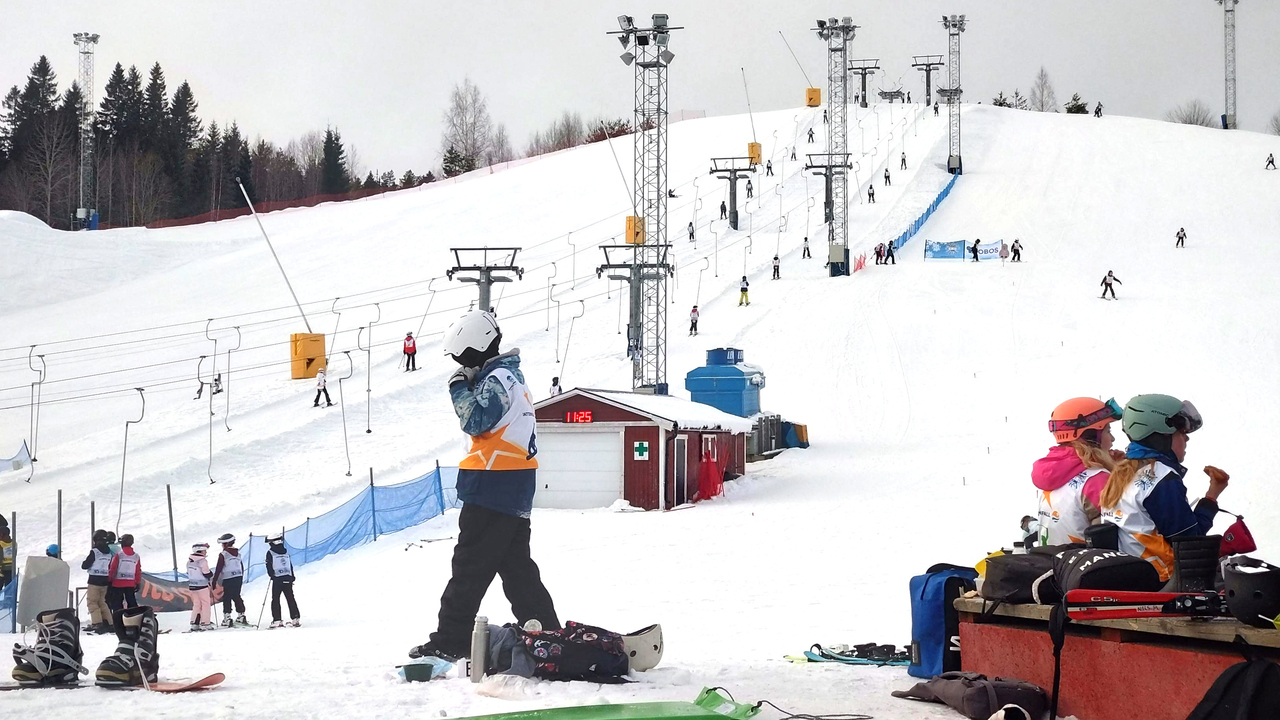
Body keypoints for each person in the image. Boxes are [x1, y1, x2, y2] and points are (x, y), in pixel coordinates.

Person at [408, 311, 559, 661]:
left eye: (461, 358)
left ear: (473, 348)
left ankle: (451, 640)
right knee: (517, 569)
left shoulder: (499, 379)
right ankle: (546, 631)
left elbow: (474, 420)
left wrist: (458, 385)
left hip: (492, 488)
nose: (460, 364)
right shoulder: (512, 378)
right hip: (511, 487)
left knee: (469, 568)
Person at [1099, 395, 1225, 586]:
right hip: (1161, 581)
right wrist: (1212, 495)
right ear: (1160, 435)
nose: (1187, 438)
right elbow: (1191, 542)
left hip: (1129, 577)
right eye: (1181, 432)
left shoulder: (1120, 472)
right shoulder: (1161, 478)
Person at [1033, 398, 1123, 545]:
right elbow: (1117, 542)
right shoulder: (1097, 480)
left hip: (1056, 564)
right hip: (1087, 566)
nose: (1112, 439)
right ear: (1091, 436)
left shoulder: (1052, 471)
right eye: (1108, 431)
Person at [211, 532, 248, 627]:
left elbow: (219, 568)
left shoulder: (223, 554)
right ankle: (241, 615)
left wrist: (214, 581)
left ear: (226, 544)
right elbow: (241, 567)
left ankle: (227, 617)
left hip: (228, 578)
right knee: (236, 596)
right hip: (238, 577)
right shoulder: (238, 554)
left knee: (227, 597)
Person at [265, 534, 300, 628]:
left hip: (277, 578)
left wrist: (272, 575)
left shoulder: (270, 553)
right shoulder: (285, 552)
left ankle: (277, 620)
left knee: (275, 599)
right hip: (287, 577)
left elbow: (269, 566)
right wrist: (292, 576)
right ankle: (295, 618)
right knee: (290, 598)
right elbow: (290, 565)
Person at [81, 529, 113, 633]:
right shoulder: (108, 552)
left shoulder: (95, 552)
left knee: (92, 602)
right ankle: (109, 622)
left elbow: (85, 565)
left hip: (94, 580)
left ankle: (97, 623)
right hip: (105, 580)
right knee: (102, 602)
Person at [106, 534, 141, 613]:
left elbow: (113, 568)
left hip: (117, 583)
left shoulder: (119, 555)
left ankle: (118, 620)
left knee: (117, 603)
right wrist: (138, 582)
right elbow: (138, 571)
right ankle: (133, 617)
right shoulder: (136, 556)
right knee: (131, 602)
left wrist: (109, 579)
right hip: (130, 583)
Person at [187, 542, 215, 632]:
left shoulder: (189, 561)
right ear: (200, 551)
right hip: (202, 586)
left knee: (197, 604)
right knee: (205, 603)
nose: (205, 553)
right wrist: (211, 574)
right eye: (204, 551)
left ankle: (194, 623)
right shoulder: (202, 561)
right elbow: (206, 573)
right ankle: (205, 623)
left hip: (193, 585)